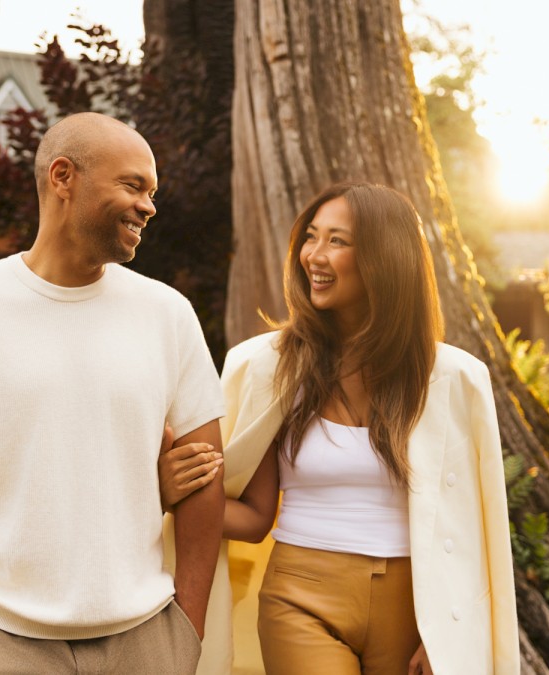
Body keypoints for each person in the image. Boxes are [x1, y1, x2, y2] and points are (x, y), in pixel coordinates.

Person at [0, 112, 226, 674]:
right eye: (133, 185)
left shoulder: (168, 315)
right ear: (63, 177)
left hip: (146, 642)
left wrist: (187, 630)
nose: (149, 205)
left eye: (153, 191)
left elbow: (204, 477)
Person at [162, 182, 519, 674]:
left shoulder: (454, 379)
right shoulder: (267, 368)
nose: (314, 255)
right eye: (311, 237)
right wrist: (171, 492)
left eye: (337, 240)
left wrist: (447, 637)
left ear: (384, 257)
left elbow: (475, 528)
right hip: (299, 597)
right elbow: (253, 516)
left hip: (416, 608)